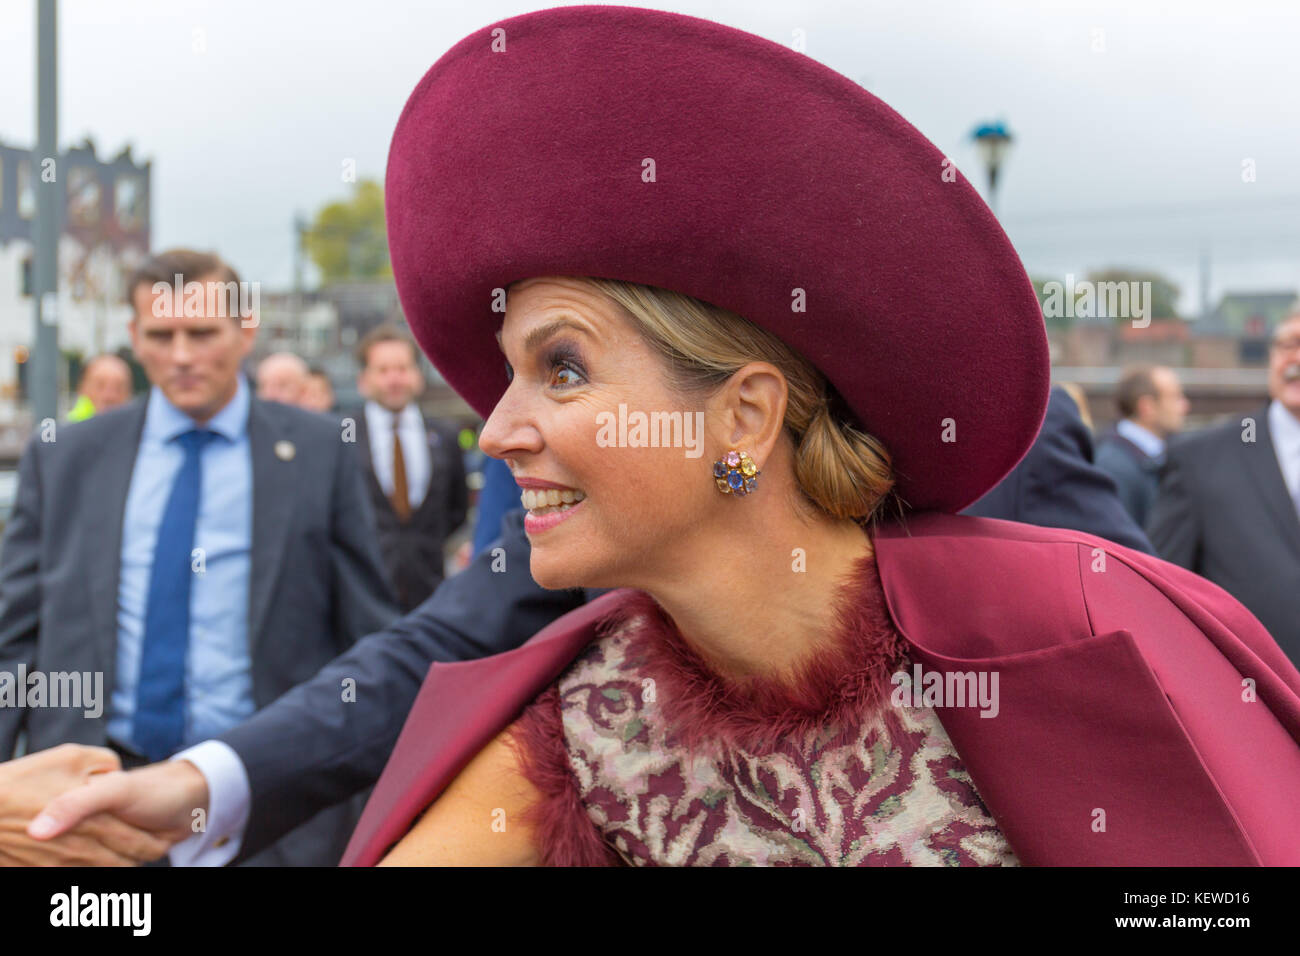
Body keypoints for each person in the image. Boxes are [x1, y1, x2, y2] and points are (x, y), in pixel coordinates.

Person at [24, 6, 1300, 868]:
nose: (499, 430)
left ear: (744, 413)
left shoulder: (1062, 587)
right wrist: (186, 794)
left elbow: (1159, 748)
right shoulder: (573, 728)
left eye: (562, 367)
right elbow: (432, 645)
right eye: (510, 374)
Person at [0, 248, 398, 866]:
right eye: (161, 335)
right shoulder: (68, 459)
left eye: (203, 332)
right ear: (134, 337)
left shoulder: (320, 453)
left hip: (271, 805)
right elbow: (13, 638)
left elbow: (367, 632)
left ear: (246, 331)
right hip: (89, 802)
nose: (181, 356)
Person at [1148, 312, 1300, 667]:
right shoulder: (1200, 458)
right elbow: (1162, 591)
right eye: (1287, 344)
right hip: (1249, 699)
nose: (1295, 358)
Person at [350, 324, 468, 612]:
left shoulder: (446, 437)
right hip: (364, 601)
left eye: (402, 368)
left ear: (417, 376)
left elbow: (457, 510)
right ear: (363, 380)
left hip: (431, 598)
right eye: (383, 370)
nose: (394, 379)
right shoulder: (342, 437)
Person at [1095, 365, 1188, 528]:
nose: (1185, 406)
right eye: (1175, 397)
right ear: (1147, 407)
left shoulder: (1163, 454)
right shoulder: (1112, 467)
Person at [67, 354, 132, 422]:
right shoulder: (67, 429)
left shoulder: (138, 429)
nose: (110, 396)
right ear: (82, 388)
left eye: (118, 388)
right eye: (100, 386)